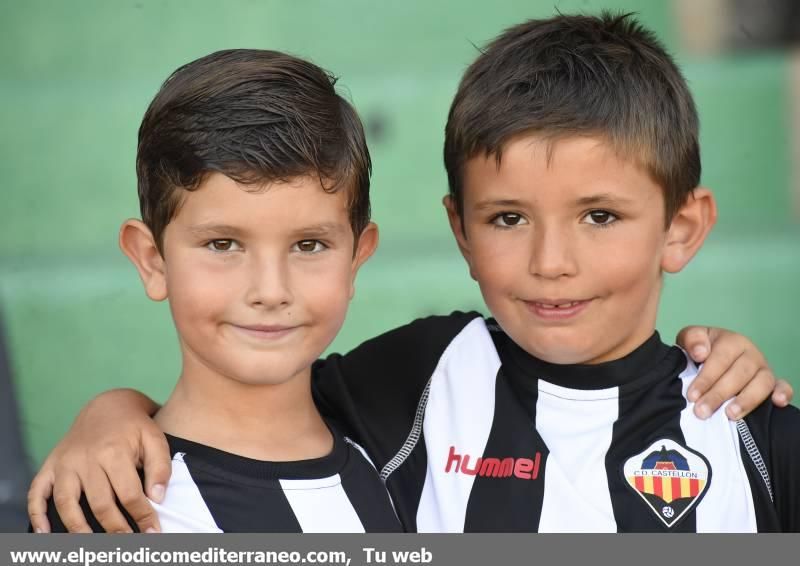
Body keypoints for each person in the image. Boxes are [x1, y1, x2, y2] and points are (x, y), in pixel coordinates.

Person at [28, 13, 795, 534]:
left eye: (599, 216)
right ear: (460, 229)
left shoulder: (750, 431)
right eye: (507, 218)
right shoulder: (425, 381)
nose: (552, 263)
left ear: (682, 227)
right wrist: (111, 412)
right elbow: (247, 407)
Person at [37, 49, 400, 533]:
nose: (270, 291)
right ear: (152, 260)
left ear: (357, 257)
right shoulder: (111, 505)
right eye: (222, 244)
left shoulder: (405, 453)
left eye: (309, 245)